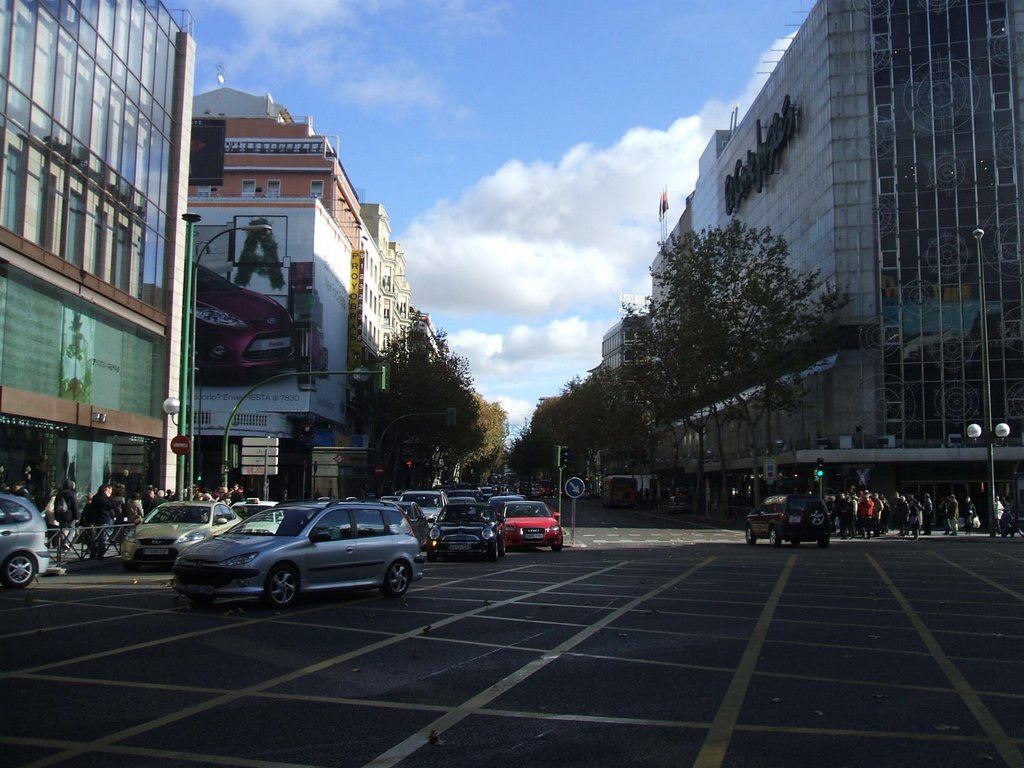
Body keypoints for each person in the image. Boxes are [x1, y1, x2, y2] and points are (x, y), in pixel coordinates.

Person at [88, 484, 117, 559]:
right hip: (103, 519)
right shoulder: (103, 498)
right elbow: (112, 505)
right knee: (102, 538)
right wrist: (109, 497)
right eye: (109, 490)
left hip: (96, 519)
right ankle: (100, 554)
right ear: (105, 490)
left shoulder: (95, 497)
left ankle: (93, 553)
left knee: (98, 537)